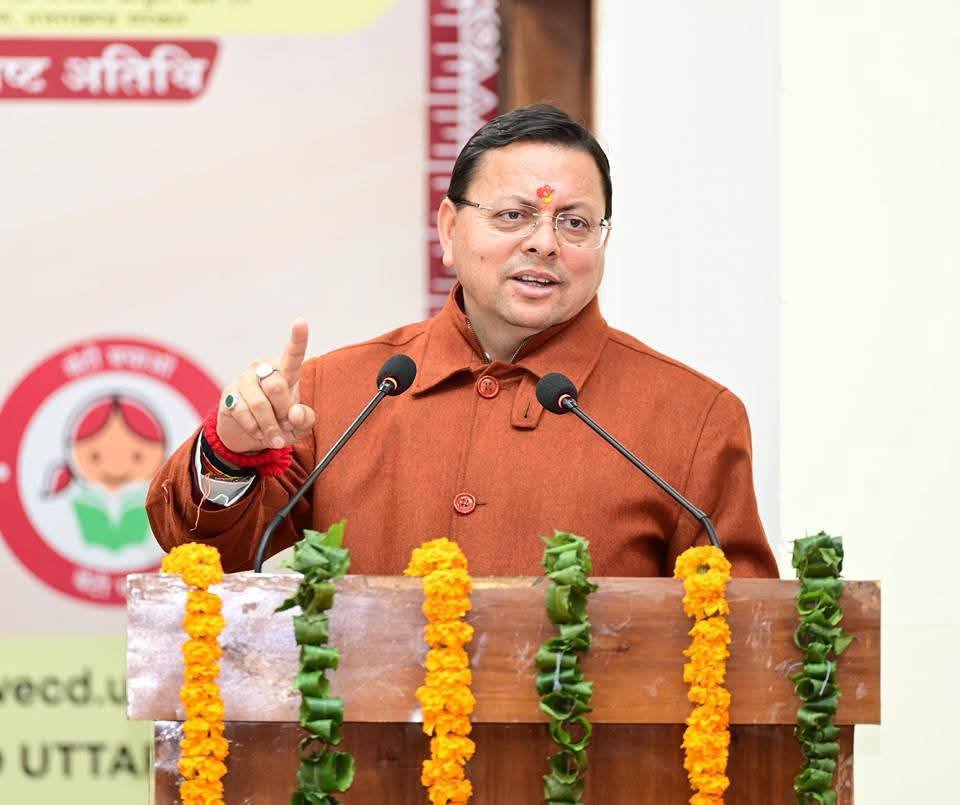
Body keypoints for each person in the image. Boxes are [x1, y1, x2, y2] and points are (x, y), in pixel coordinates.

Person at [147, 104, 778, 578]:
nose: (544, 243)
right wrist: (232, 453)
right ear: (449, 228)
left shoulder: (694, 419)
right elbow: (205, 551)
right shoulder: (343, 392)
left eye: (574, 222)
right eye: (513, 215)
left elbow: (742, 647)